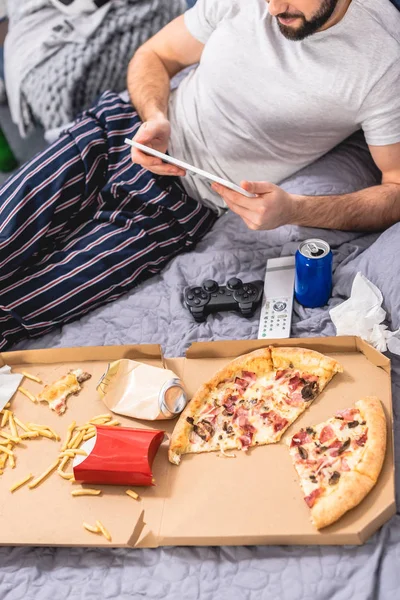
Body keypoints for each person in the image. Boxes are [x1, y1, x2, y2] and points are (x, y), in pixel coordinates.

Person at [0, 0, 399, 349]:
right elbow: (155, 55)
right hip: (119, 132)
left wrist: (295, 209)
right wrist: (154, 117)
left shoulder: (383, 59)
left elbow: (395, 189)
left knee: (27, 304)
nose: (274, 8)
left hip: (179, 204)